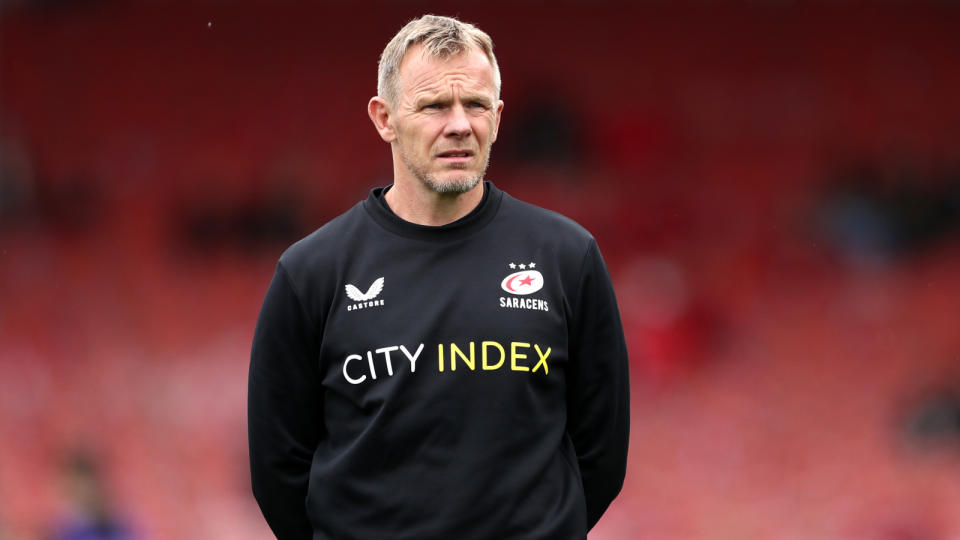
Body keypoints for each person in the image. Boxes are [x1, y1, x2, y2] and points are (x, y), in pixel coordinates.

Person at [248, 14, 629, 539]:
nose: (458, 124)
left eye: (475, 104)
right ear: (384, 118)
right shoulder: (311, 273)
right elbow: (278, 469)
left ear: (497, 116)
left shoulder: (567, 257)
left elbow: (602, 453)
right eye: (433, 106)